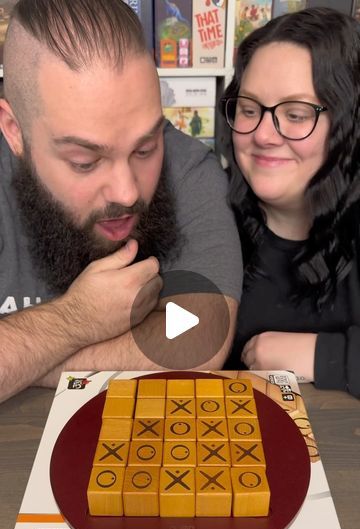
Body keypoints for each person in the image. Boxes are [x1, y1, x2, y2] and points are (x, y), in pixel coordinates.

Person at [0, 0, 242, 403]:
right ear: (14, 131)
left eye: (145, 148)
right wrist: (74, 321)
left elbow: (199, 330)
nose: (128, 192)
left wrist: (23, 357)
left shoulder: (188, 170)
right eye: (85, 161)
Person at [220, 7, 360, 397]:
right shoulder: (210, 217)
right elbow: (169, 330)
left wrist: (324, 355)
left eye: (295, 115)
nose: (263, 134)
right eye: (249, 110)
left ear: (349, 127)